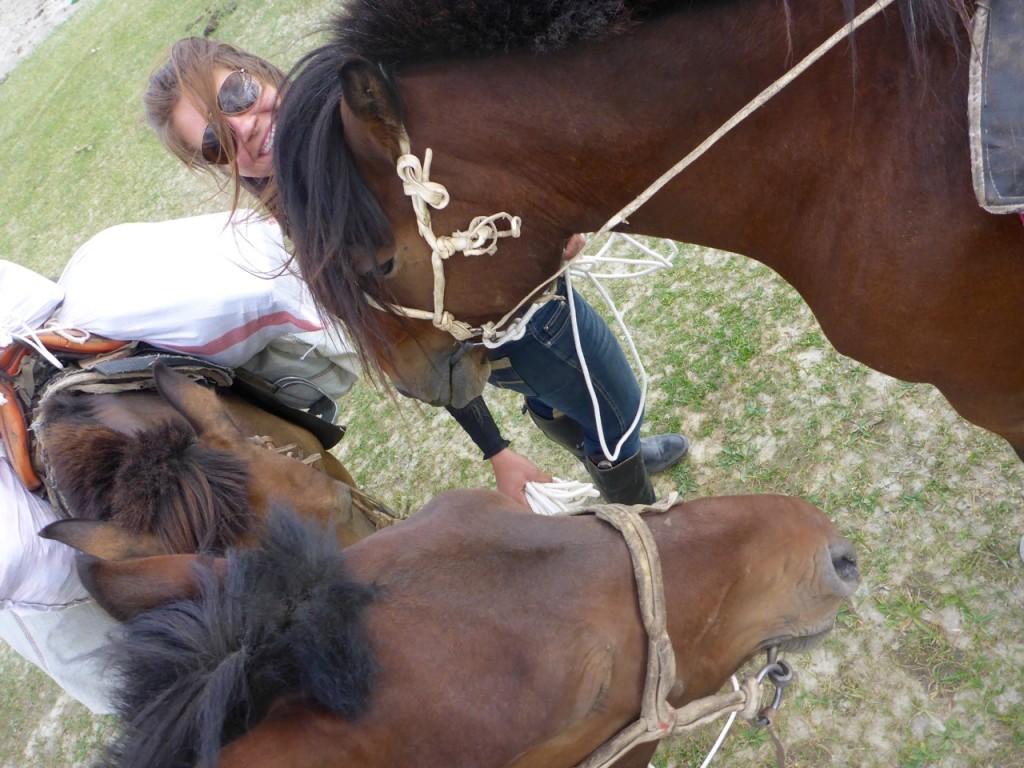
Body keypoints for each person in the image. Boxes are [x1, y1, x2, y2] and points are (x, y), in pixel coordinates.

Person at [144, 37, 690, 505]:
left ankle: (616, 459)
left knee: (559, 400)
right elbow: (407, 349)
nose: (242, 128)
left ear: (259, 71)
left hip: (512, 327)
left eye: (235, 95)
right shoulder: (315, 225)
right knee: (617, 409)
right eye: (215, 144)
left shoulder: (362, 117)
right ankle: (636, 505)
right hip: (527, 327)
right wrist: (496, 450)